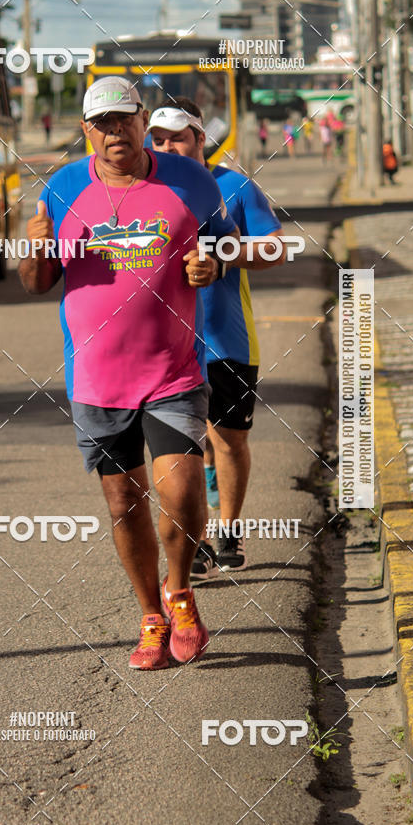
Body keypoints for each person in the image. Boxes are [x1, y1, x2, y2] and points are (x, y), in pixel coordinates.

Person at [20, 77, 240, 670]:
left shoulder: (190, 179)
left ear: (142, 120)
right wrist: (35, 250)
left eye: (124, 119)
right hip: (95, 378)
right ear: (87, 131)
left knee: (184, 494)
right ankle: (150, 616)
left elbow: (226, 247)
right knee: (123, 501)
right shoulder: (62, 190)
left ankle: (180, 590)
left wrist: (209, 266)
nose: (115, 132)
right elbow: (38, 283)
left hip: (172, 370)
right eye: (102, 123)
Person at [147, 97, 285, 578]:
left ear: (199, 139)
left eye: (177, 138)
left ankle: (228, 528)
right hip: (167, 345)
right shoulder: (144, 193)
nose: (166, 146)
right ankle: (196, 541)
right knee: (180, 447)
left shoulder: (236, 186)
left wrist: (223, 259)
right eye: (158, 139)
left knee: (227, 440)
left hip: (226, 339)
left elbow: (274, 246)